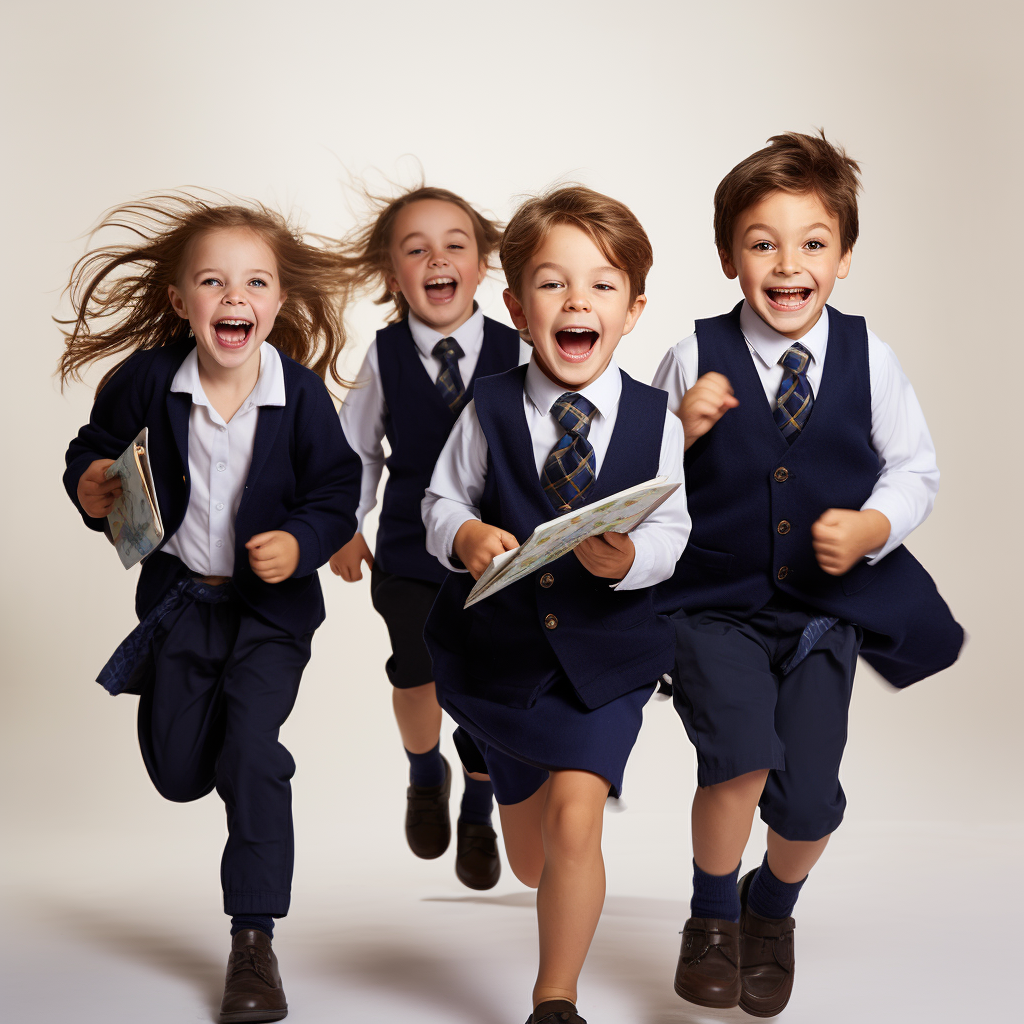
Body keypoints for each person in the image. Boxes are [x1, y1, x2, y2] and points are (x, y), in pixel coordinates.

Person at [653, 132, 964, 1017]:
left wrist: (873, 522)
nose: (788, 264)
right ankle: (711, 918)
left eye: (812, 243)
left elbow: (915, 471)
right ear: (728, 257)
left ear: (845, 257)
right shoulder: (692, 356)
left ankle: (770, 909)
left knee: (810, 803)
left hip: (824, 613)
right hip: (716, 605)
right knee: (739, 762)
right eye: (763, 243)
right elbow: (636, 484)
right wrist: (677, 427)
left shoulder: (872, 357)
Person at [60, 194, 361, 1024]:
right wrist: (89, 487)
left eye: (256, 282)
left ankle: (253, 941)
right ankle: (217, 762)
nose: (237, 296)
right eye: (214, 282)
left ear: (275, 304)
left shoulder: (298, 396)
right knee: (181, 771)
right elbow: (92, 454)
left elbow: (340, 490)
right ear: (181, 301)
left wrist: (301, 542)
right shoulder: (147, 383)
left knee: (254, 751)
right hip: (182, 607)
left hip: (270, 617)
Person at [422, 185, 690, 1024]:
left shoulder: (657, 419)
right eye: (552, 284)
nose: (578, 302)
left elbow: (674, 529)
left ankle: (555, 999)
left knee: (579, 820)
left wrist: (629, 561)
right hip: (496, 655)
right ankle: (491, 761)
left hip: (603, 662)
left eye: (603, 285)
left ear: (634, 309)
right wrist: (463, 538)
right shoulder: (491, 406)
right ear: (515, 305)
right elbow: (441, 502)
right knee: (531, 860)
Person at [328, 186, 521, 888]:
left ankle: (478, 804)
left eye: (455, 244)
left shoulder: (518, 348)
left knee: (486, 683)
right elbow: (358, 449)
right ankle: (422, 771)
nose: (437, 258)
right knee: (418, 670)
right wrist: (345, 525)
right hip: (410, 548)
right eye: (416, 249)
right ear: (393, 275)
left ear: (482, 265)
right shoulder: (384, 355)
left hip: (497, 551)